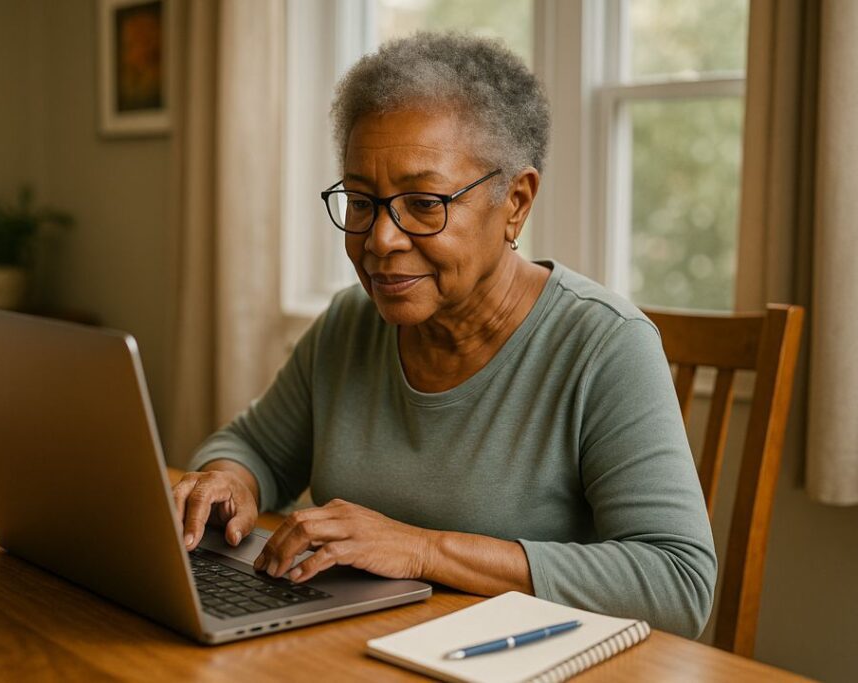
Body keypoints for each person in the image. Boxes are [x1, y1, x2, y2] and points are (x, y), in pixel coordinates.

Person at [171, 32, 716, 638]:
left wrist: (422, 550)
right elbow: (255, 448)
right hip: (345, 644)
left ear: (515, 202)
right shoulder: (353, 321)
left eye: (424, 203)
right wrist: (227, 480)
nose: (381, 240)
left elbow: (677, 582)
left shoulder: (605, 346)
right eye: (360, 201)